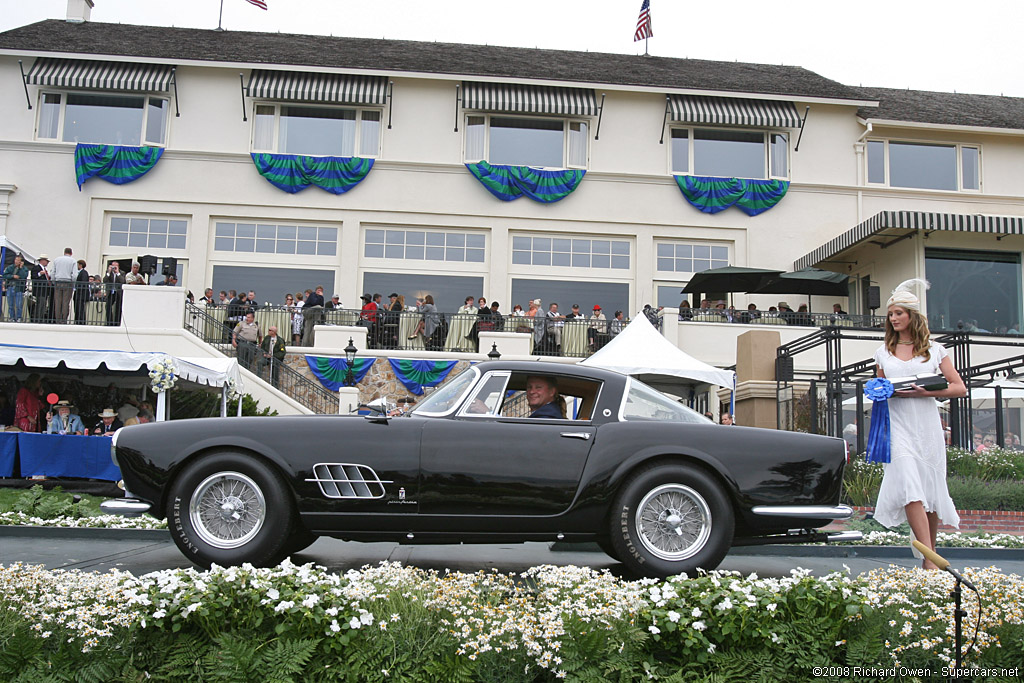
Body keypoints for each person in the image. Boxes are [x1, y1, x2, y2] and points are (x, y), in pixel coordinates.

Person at [872, 278, 966, 570]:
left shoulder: (935, 350)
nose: (894, 318)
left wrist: (930, 392)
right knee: (910, 485)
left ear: (912, 315)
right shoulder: (883, 352)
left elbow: (959, 387)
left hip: (926, 424)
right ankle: (930, 559)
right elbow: (880, 385)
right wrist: (880, 388)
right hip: (897, 423)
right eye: (891, 314)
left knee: (929, 489)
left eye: (899, 312)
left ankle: (931, 558)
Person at [51, 247, 77, 323]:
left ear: (64, 252)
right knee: (66, 302)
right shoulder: (73, 261)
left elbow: (52, 272)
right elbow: (75, 275)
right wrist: (73, 282)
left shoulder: (57, 260)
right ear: (71, 253)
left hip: (58, 282)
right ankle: (64, 319)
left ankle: (57, 319)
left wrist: (53, 281)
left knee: (58, 302)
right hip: (68, 283)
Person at [3, 253, 30, 321]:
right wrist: (12, 276)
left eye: (18, 260)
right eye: (16, 259)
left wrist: (20, 268)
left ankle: (19, 317)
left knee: (18, 304)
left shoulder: (24, 269)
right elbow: (5, 275)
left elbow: (24, 276)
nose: (16, 261)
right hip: (10, 287)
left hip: (19, 288)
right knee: (11, 304)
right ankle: (11, 317)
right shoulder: (10, 267)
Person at [31, 254, 54, 323]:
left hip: (44, 290)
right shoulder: (36, 268)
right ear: (42, 261)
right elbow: (33, 276)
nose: (47, 263)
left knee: (43, 305)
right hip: (40, 290)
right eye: (46, 261)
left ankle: (40, 318)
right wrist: (40, 274)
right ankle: (37, 318)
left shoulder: (45, 269)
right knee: (40, 304)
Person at [102, 261, 125, 326]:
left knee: (118, 307)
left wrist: (117, 273)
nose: (114, 268)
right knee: (108, 306)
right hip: (110, 292)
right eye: (112, 266)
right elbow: (104, 280)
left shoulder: (122, 273)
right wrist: (109, 272)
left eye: (115, 266)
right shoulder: (109, 272)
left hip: (118, 292)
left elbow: (123, 281)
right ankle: (110, 322)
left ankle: (117, 322)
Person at [73, 259, 90, 325]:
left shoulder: (84, 273)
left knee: (80, 309)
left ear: (80, 265)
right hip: (78, 294)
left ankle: (80, 321)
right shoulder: (80, 272)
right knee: (77, 308)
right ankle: (77, 320)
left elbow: (83, 283)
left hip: (81, 295)